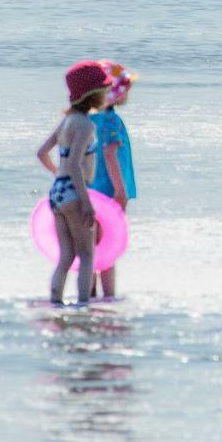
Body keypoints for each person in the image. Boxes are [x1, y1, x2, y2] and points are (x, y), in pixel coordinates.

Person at [35, 61, 111, 306]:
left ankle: (55, 301)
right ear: (93, 95)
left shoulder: (67, 122)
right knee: (88, 253)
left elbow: (42, 153)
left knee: (66, 255)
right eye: (104, 90)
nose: (107, 94)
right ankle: (82, 305)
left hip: (57, 191)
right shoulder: (87, 125)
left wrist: (60, 174)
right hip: (75, 192)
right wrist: (86, 201)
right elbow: (78, 164)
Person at [88, 61, 138, 299]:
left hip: (89, 188)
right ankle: (108, 297)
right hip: (109, 190)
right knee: (107, 247)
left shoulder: (87, 119)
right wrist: (120, 190)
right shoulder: (111, 121)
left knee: (91, 246)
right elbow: (109, 154)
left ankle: (88, 295)